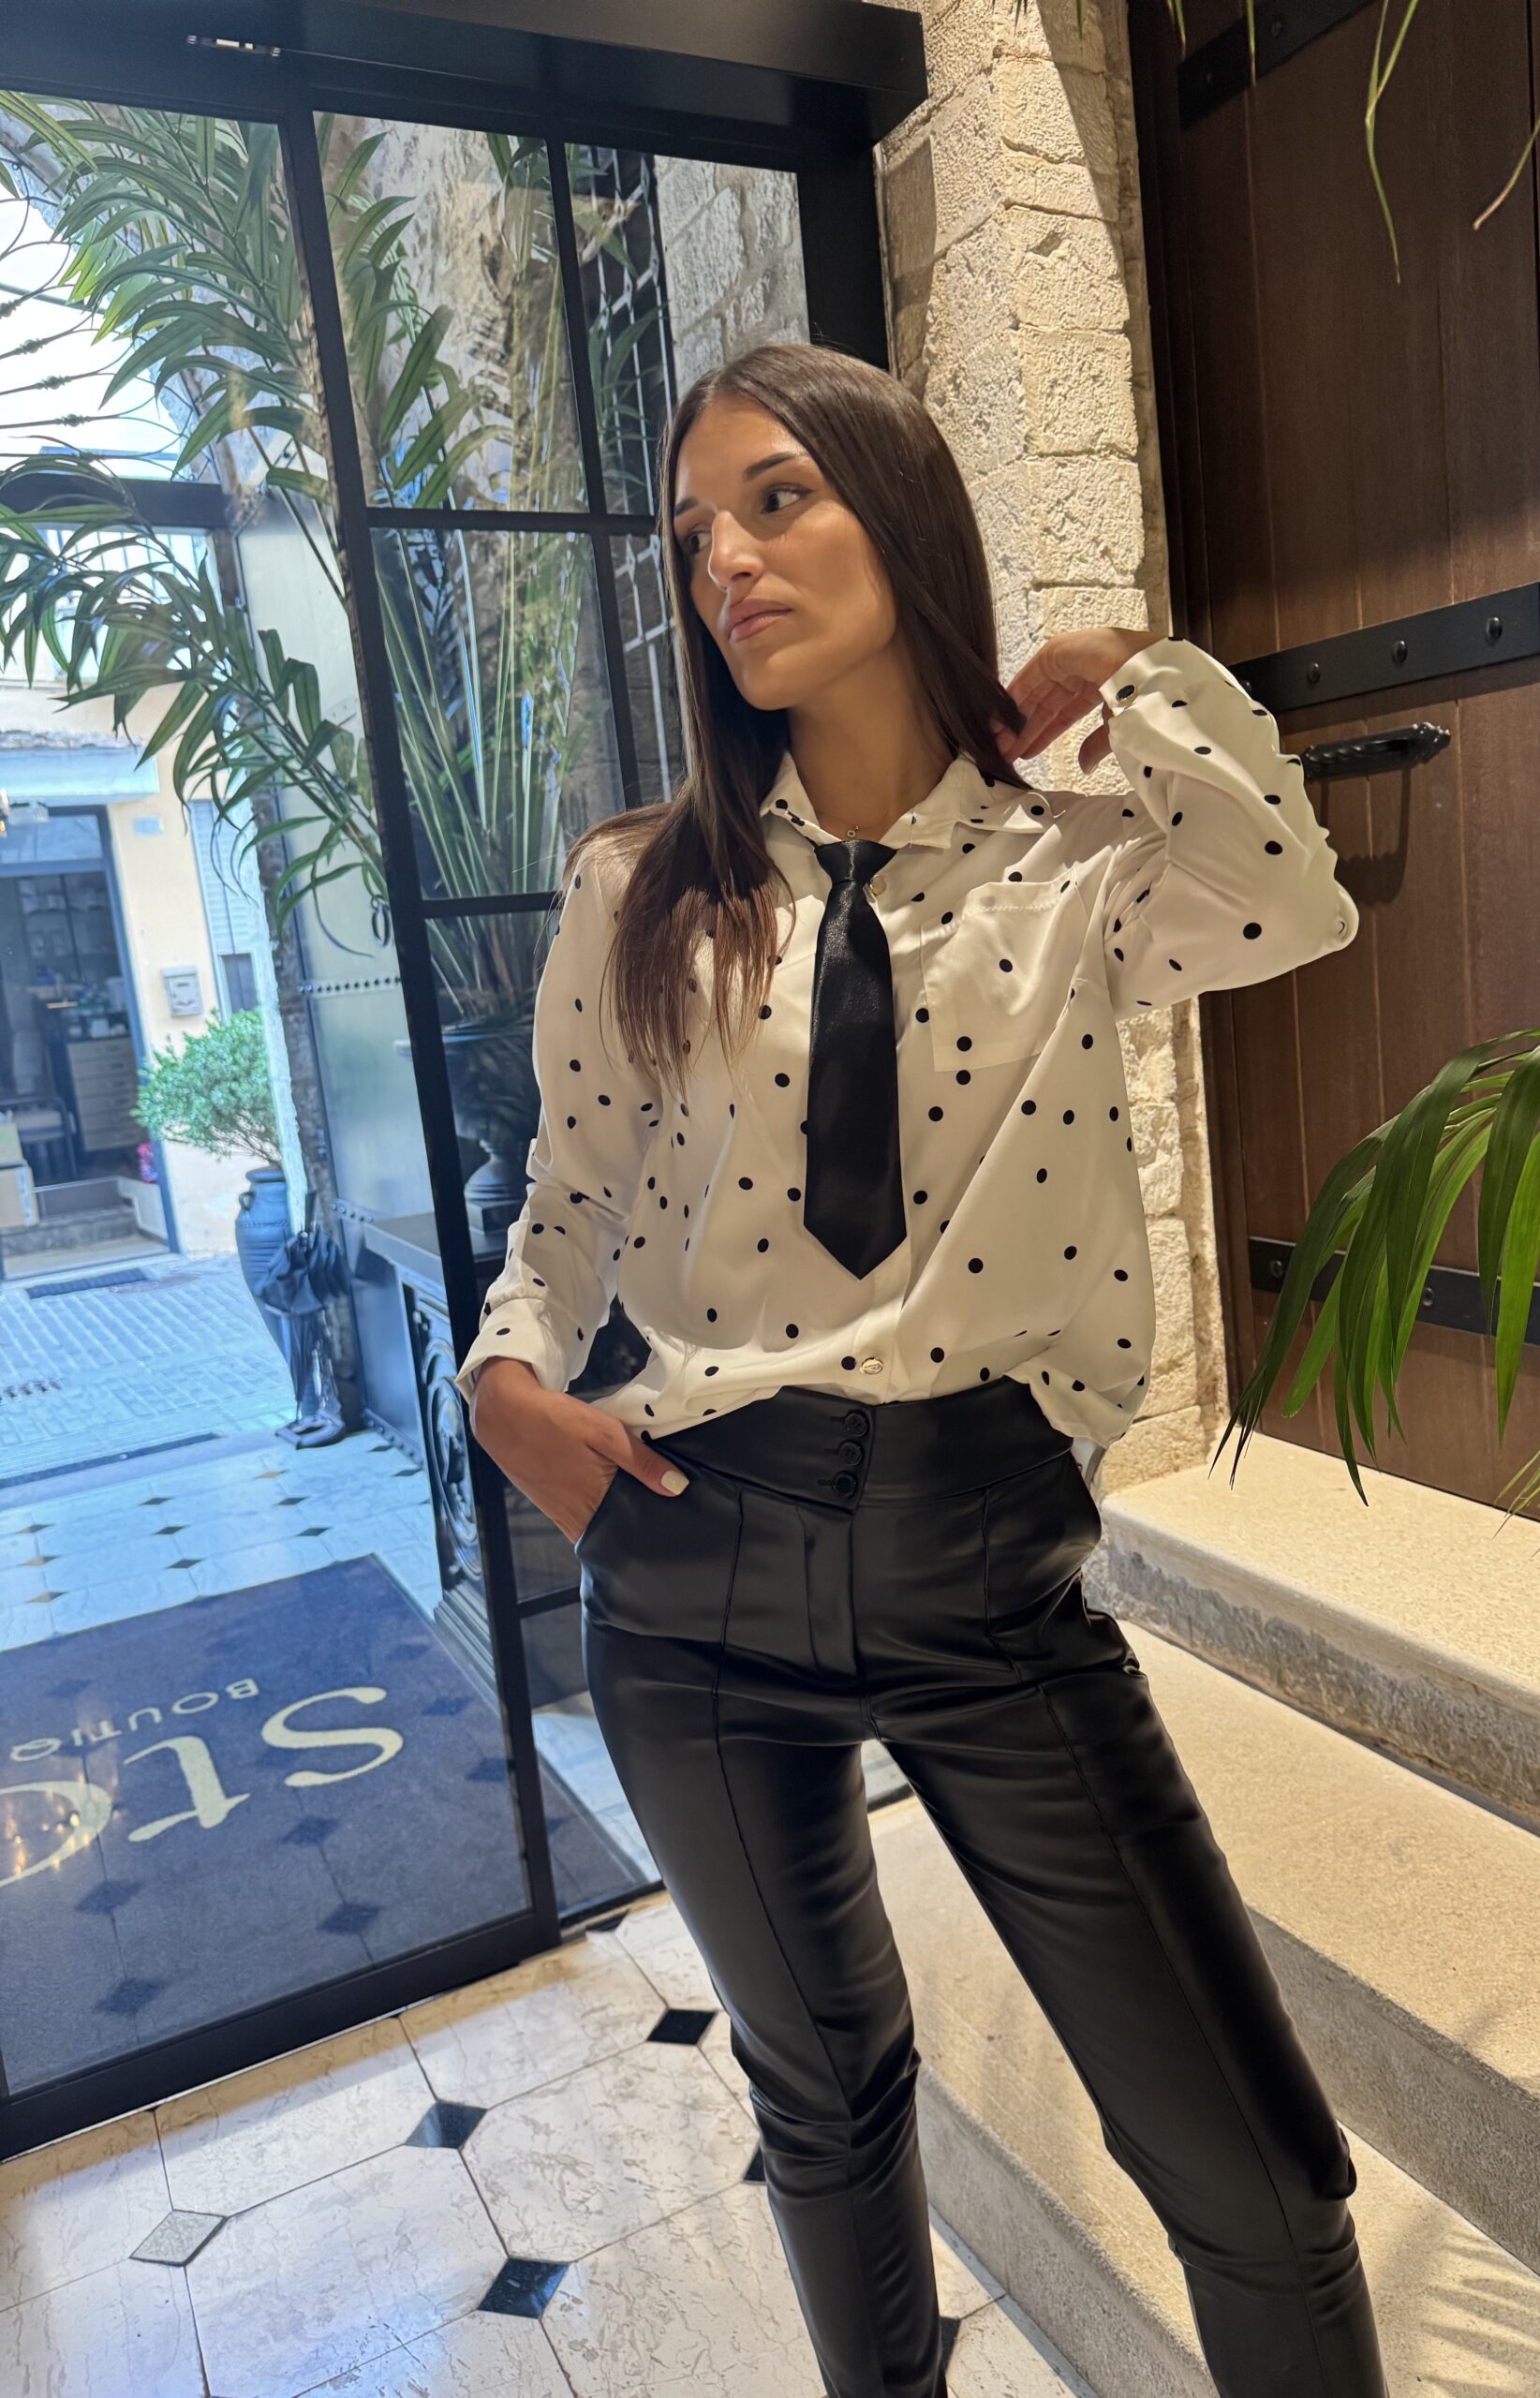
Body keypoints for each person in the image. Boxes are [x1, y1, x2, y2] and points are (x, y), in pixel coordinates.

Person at [455, 339, 1385, 2398]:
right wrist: (503, 1380)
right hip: (695, 1564)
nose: (726, 559)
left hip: (989, 1569)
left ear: (898, 510)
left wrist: (1125, 671)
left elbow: (1295, 898)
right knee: (826, 2099)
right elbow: (569, 1196)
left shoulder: (1079, 860)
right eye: (693, 533)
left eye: (776, 498)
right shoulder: (641, 889)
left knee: (1254, 2172)